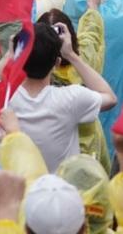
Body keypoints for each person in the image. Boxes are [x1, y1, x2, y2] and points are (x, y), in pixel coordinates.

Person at [7, 19, 117, 171]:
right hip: (58, 191)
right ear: (57, 63)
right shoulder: (71, 98)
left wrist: (10, 58)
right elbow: (110, 97)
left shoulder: (4, 98)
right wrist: (71, 54)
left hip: (14, 192)